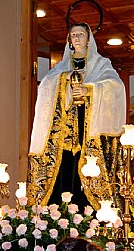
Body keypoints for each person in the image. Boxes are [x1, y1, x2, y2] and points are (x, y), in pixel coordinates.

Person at [27, 21, 126, 208]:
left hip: (87, 128)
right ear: (69, 40)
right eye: (73, 35)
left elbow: (115, 86)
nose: (77, 38)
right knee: (64, 166)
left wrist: (89, 90)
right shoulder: (61, 68)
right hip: (63, 132)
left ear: (88, 39)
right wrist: (65, 81)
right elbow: (46, 86)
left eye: (80, 34)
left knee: (87, 167)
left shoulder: (100, 64)